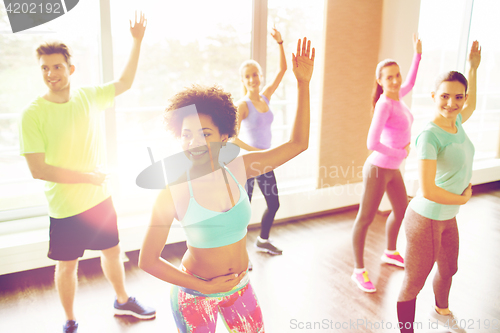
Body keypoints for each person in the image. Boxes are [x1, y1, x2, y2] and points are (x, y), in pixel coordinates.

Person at [139, 37, 315, 333]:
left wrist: (303, 84)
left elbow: (299, 144)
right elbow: (147, 260)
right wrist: (199, 286)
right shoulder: (172, 191)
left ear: (224, 137)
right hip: (195, 296)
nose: (194, 143)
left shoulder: (240, 167)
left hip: (240, 288)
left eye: (205, 134)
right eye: (186, 135)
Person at [19, 12, 154, 333]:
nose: (51, 73)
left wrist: (136, 41)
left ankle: (122, 300)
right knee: (67, 266)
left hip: (99, 200)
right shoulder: (33, 114)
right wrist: (87, 178)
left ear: (70, 69)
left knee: (112, 251)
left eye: (57, 66)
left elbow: (125, 83)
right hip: (64, 207)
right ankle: (69, 321)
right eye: (45, 68)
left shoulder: (88, 96)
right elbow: (38, 169)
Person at [397, 41, 481, 333]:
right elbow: (428, 190)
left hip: (448, 215)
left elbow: (471, 103)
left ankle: (440, 310)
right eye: (445, 96)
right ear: (434, 96)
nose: (451, 103)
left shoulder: (456, 121)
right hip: (427, 216)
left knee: (449, 269)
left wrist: (472, 67)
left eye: (458, 97)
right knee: (414, 280)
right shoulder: (429, 135)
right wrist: (464, 199)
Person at [351, 35, 422, 292]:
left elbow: (411, 82)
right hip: (379, 168)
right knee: (366, 218)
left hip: (392, 169)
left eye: (397, 75)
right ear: (380, 81)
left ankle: (390, 252)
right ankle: (358, 270)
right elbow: (372, 142)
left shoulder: (398, 96)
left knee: (402, 209)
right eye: (388, 77)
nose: (395, 80)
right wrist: (400, 153)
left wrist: (418, 54)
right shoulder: (384, 105)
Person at [233, 26, 287, 255]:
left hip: (266, 161)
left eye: (256, 74)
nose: (253, 79)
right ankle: (237, 253)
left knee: (273, 204)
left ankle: (263, 240)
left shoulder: (265, 96)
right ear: (243, 81)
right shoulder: (243, 106)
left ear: (260, 76)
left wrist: (280, 43)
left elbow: (283, 70)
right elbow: (232, 139)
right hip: (249, 162)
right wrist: (254, 151)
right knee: (242, 211)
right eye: (248, 76)